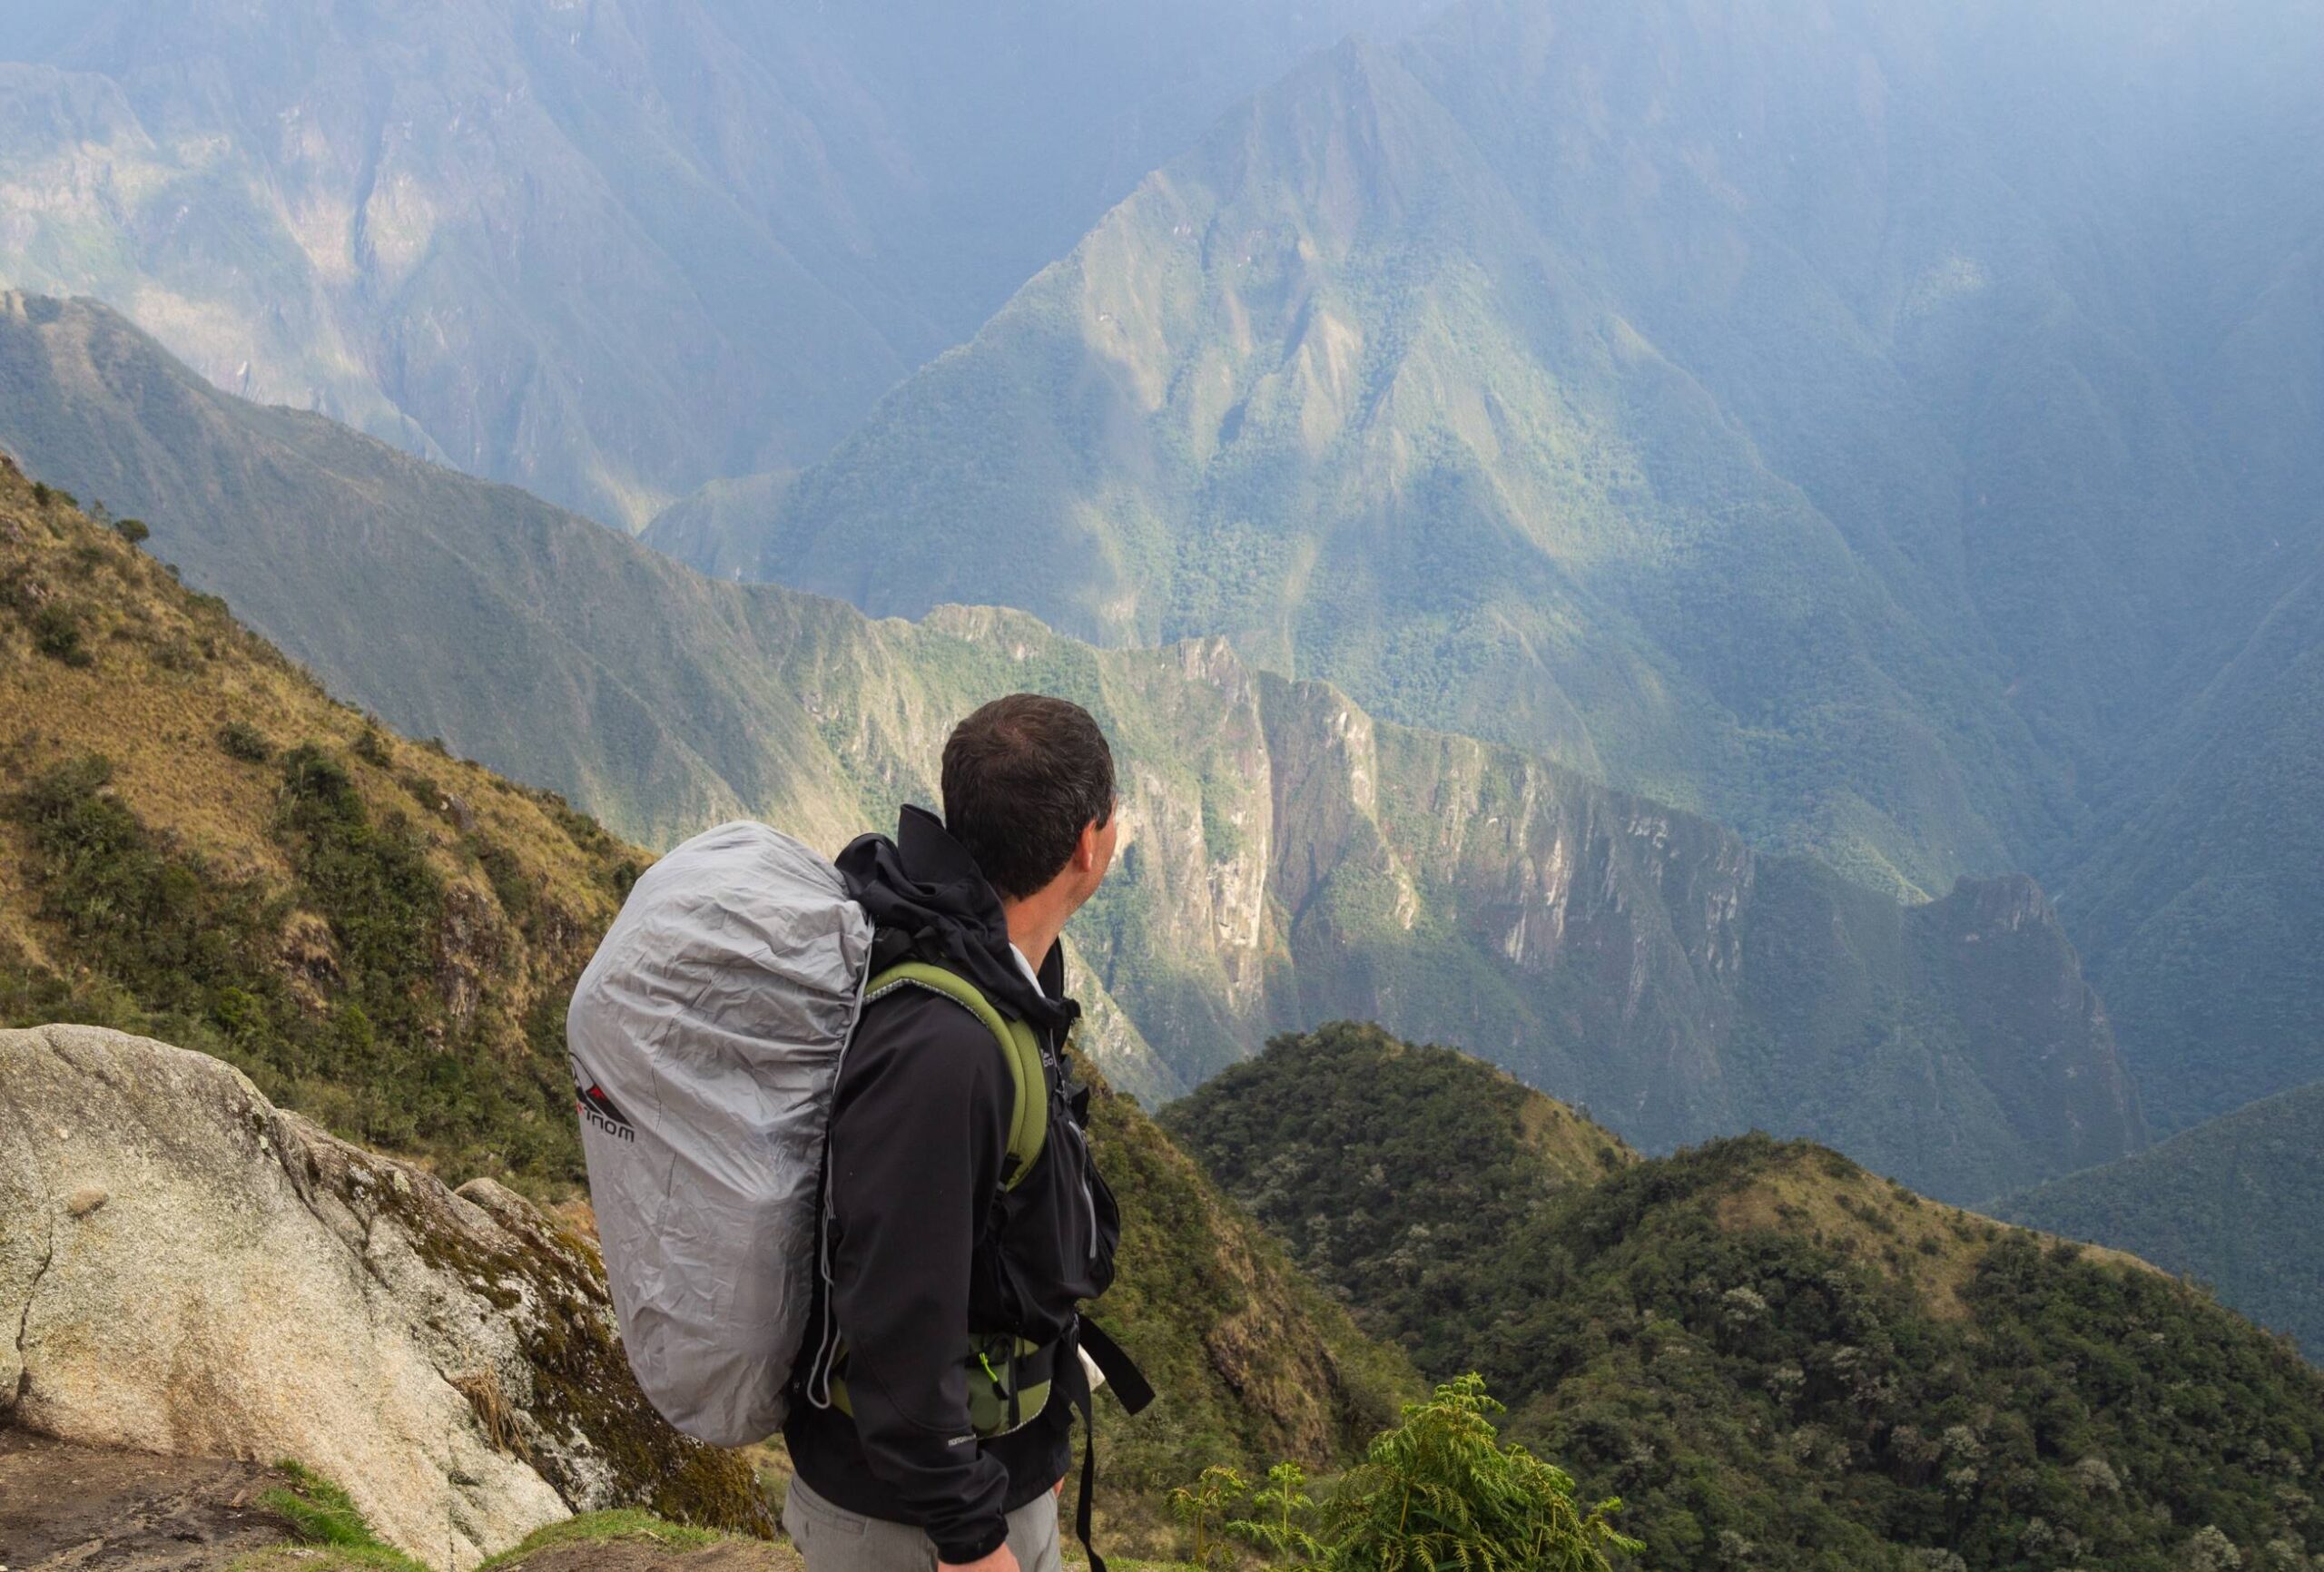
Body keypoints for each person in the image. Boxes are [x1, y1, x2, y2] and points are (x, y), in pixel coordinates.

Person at [783, 693, 1127, 1572]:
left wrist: (1038, 1441)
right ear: (1090, 843)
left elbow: (1007, 1241)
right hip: (911, 1524)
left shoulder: (1002, 968)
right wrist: (970, 1538)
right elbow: (897, 1305)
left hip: (990, 1476)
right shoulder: (945, 1046)